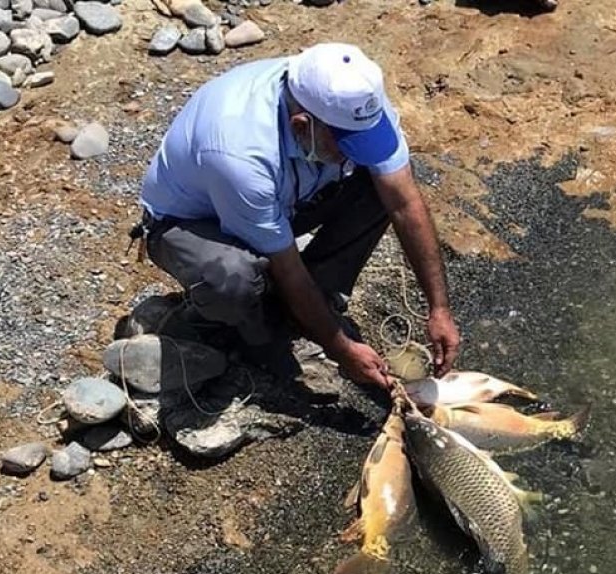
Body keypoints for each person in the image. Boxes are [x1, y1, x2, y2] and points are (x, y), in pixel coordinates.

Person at [132, 42, 461, 394]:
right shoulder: (240, 152)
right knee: (233, 277)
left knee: (381, 186)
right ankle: (255, 338)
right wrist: (340, 349)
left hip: (283, 200)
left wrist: (438, 307)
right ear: (302, 126)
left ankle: (316, 298)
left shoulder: (355, 101)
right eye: (346, 147)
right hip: (194, 222)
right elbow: (286, 266)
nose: (353, 154)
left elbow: (404, 203)